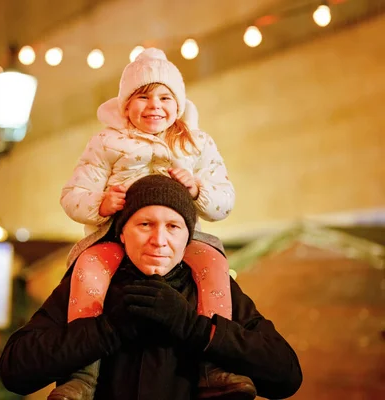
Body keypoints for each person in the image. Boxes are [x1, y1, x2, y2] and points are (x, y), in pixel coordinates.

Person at [0, 174, 302, 400]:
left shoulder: (212, 288)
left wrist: (193, 327)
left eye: (173, 226)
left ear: (188, 237)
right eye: (145, 224)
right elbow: (16, 370)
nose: (159, 239)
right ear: (122, 233)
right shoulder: (91, 282)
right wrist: (107, 329)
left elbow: (285, 375)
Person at [57, 48, 238, 398]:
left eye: (165, 97)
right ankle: (80, 373)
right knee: (89, 268)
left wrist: (198, 188)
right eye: (143, 96)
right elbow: (72, 193)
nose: (155, 105)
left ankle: (216, 366)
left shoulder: (196, 143)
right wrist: (100, 204)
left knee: (214, 264)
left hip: (182, 239)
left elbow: (224, 200)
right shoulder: (107, 141)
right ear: (126, 105)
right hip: (115, 237)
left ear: (179, 103)